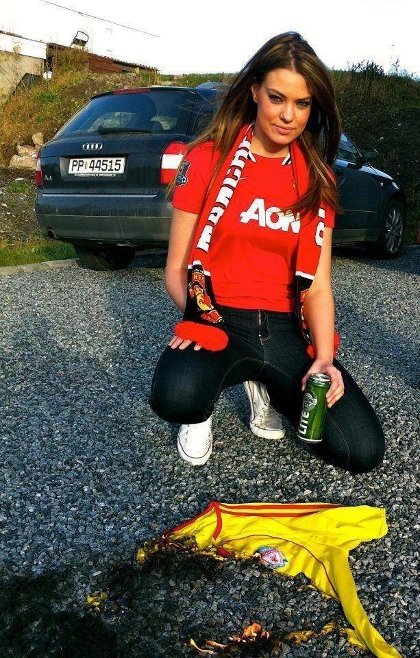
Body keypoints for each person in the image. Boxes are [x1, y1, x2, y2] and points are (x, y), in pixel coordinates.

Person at [149, 32, 385, 472]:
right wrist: (199, 319)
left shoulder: (318, 179)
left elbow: (318, 285)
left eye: (302, 103)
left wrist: (323, 359)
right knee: (177, 395)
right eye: (277, 98)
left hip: (286, 329)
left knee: (361, 450)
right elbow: (176, 268)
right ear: (255, 90)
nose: (288, 115)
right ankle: (204, 407)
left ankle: (265, 383)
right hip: (220, 316)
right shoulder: (206, 159)